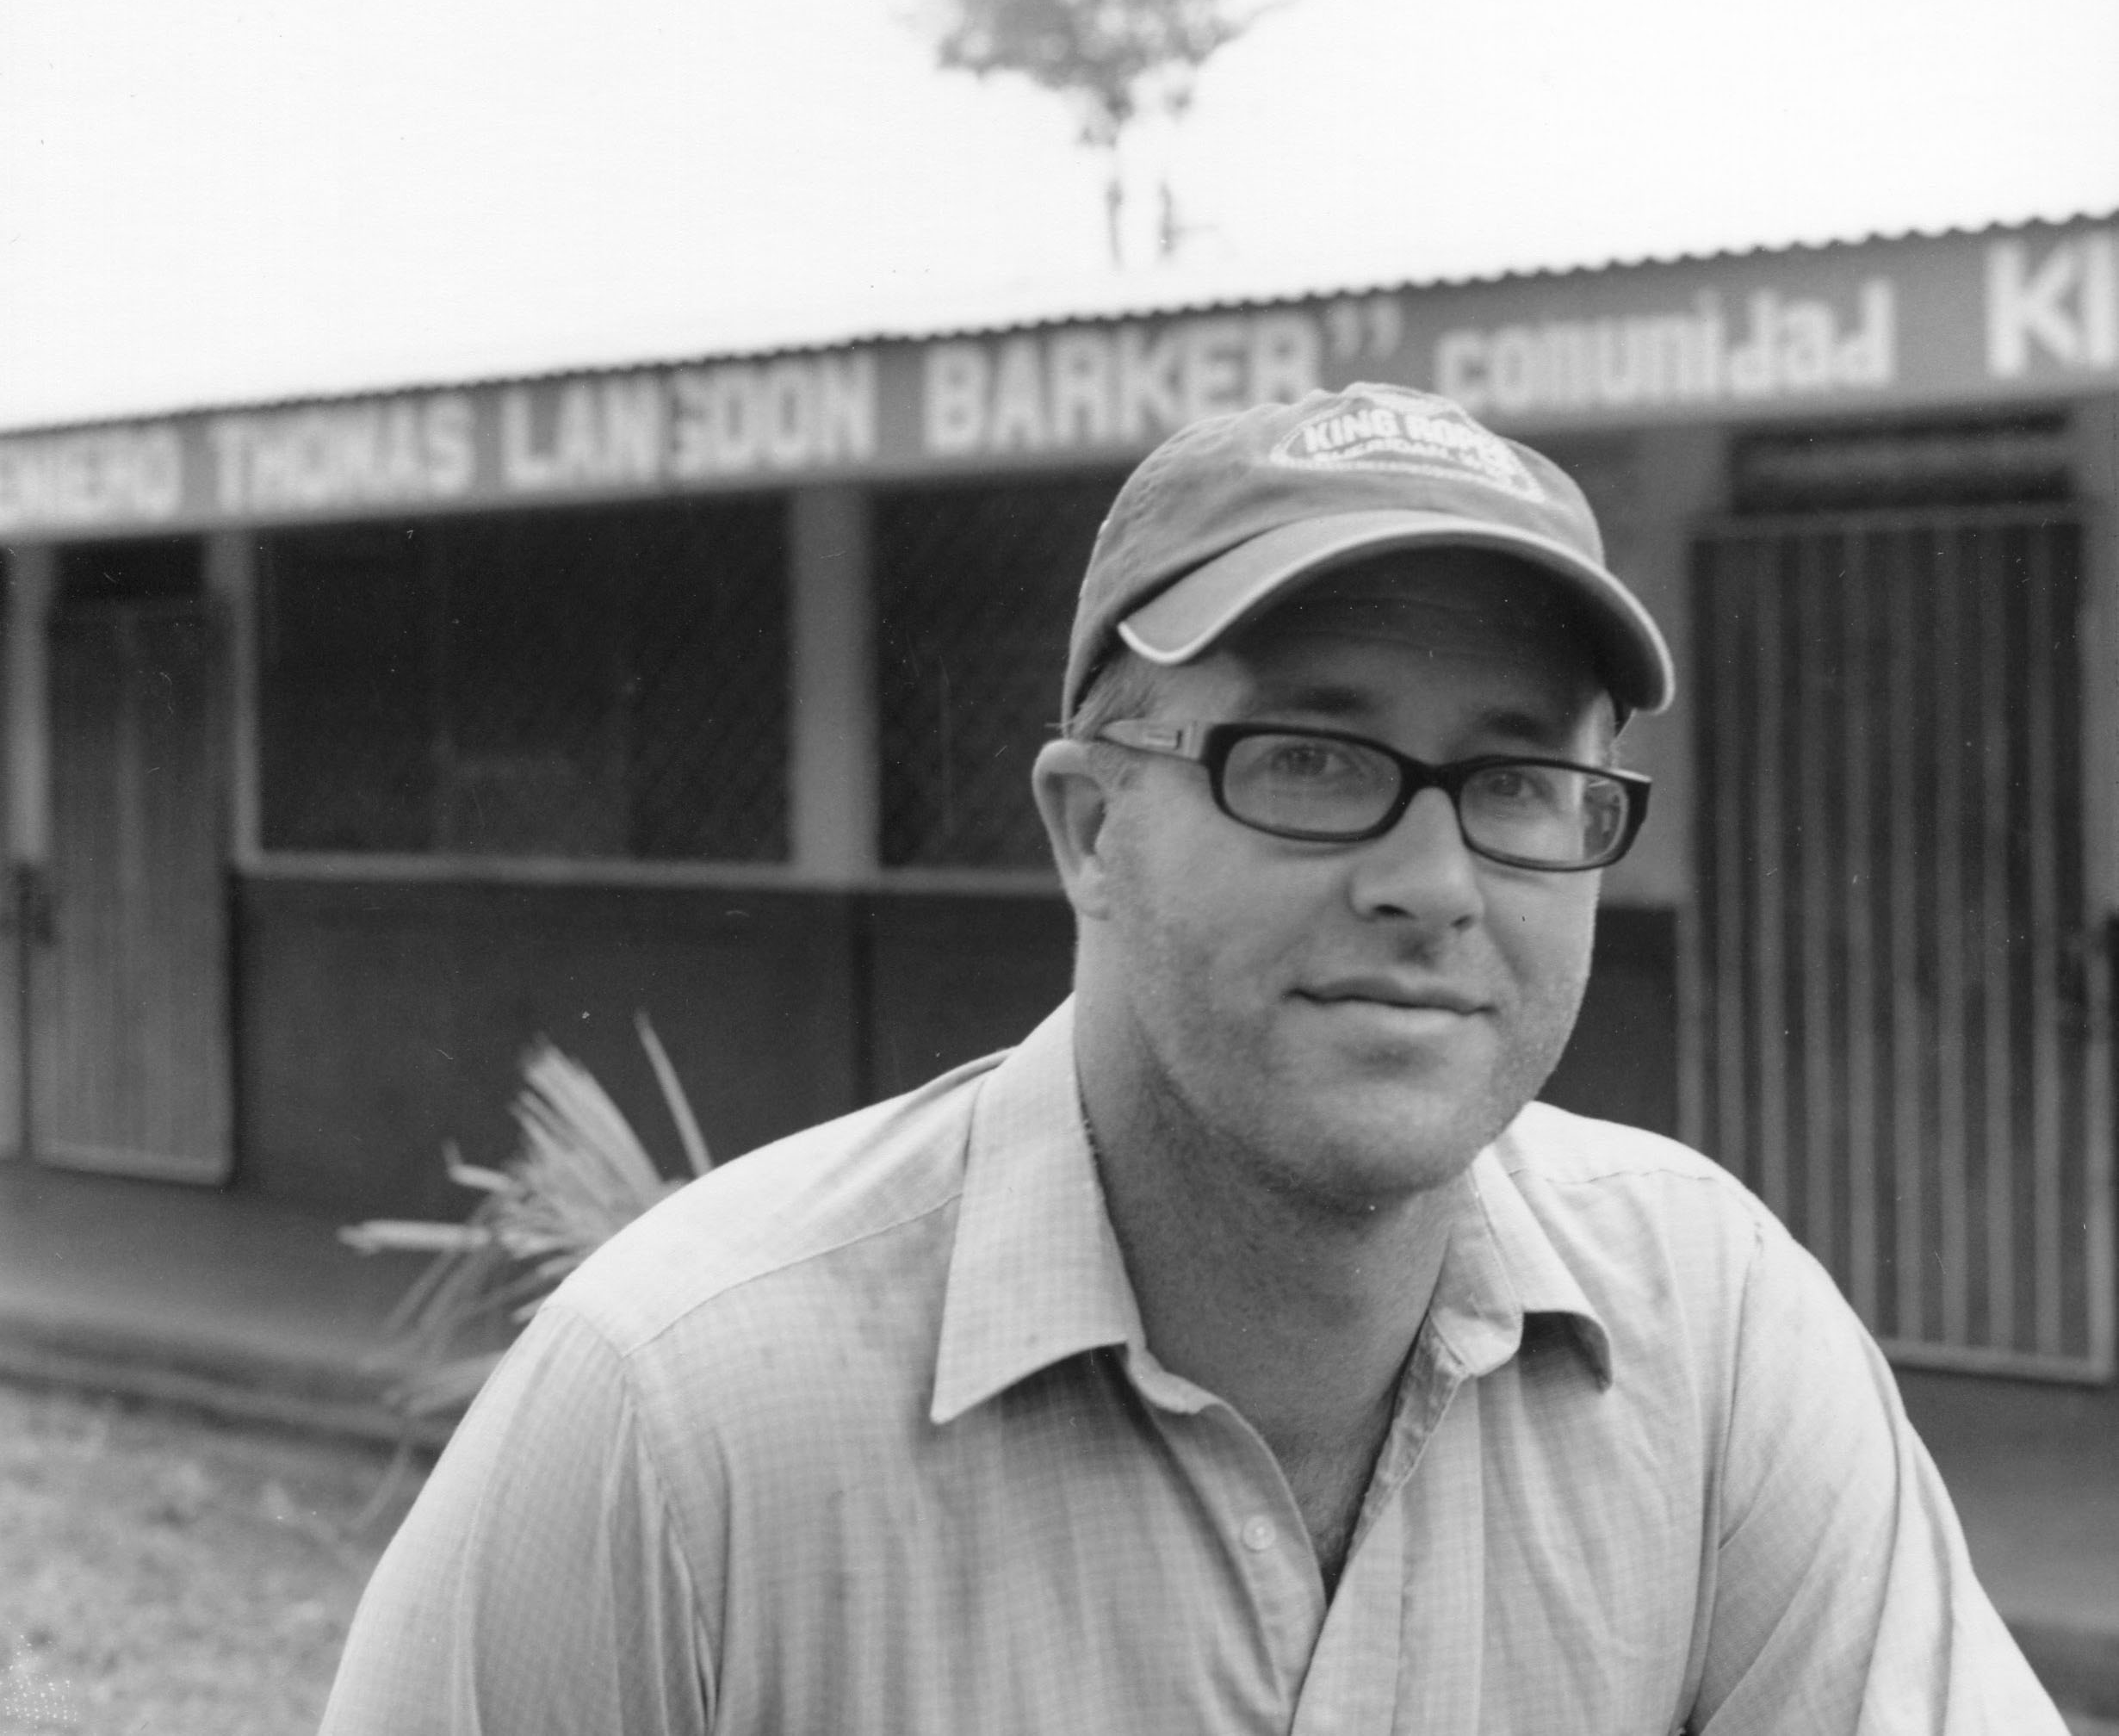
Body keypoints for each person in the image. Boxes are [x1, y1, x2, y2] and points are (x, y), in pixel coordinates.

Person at [322, 381, 2064, 1733]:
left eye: (1521, 783)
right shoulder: (679, 1407)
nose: (1432, 886)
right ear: (1091, 829)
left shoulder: (1717, 1329)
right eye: (1310, 758)